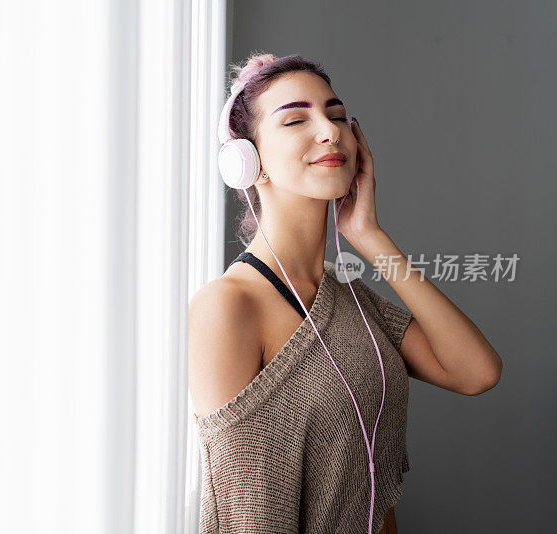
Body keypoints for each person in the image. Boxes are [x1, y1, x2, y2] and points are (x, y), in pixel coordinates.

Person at [187, 53, 503, 534]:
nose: (331, 131)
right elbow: (246, 512)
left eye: (337, 116)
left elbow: (476, 372)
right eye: (295, 119)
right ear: (247, 161)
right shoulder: (228, 305)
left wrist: (371, 238)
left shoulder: (349, 298)